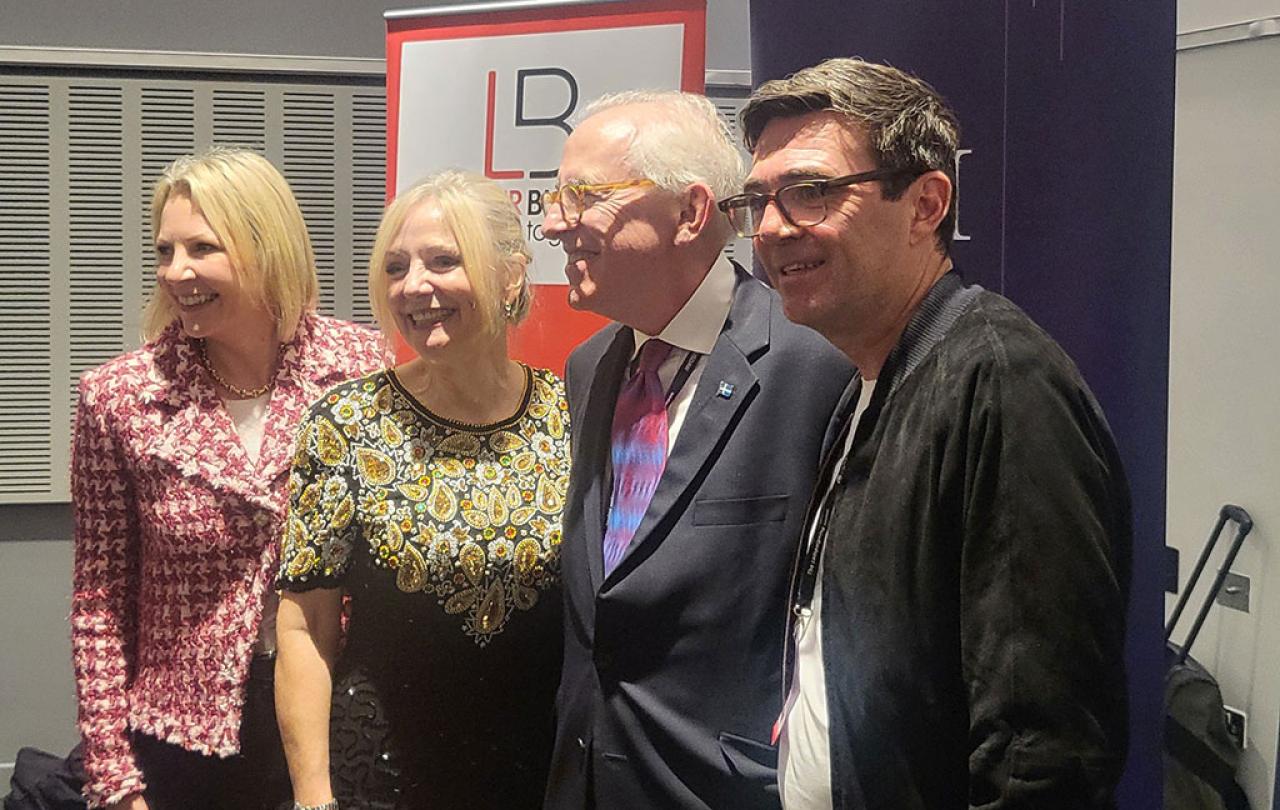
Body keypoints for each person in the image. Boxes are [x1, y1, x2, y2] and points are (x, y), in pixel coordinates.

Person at [728, 57, 1132, 809]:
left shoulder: (1003, 383)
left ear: (925, 205)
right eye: (759, 201)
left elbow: (1041, 751)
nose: (775, 228)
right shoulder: (865, 383)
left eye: (811, 192)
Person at [539, 90, 853, 810]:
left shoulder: (814, 365)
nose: (555, 222)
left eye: (584, 196)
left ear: (690, 212)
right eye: (558, 197)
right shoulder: (589, 367)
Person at [69, 147, 386, 810]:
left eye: (202, 249)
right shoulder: (121, 397)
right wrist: (114, 778)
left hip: (342, 712)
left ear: (266, 247)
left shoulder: (363, 367)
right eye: (165, 252)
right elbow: (99, 604)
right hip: (185, 741)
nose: (175, 273)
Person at [274, 169, 570, 810]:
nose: (414, 287)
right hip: (384, 771)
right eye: (396, 266)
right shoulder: (347, 423)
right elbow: (306, 623)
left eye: (443, 260)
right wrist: (312, 796)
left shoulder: (571, 411)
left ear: (511, 276)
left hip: (542, 765)